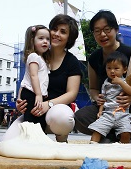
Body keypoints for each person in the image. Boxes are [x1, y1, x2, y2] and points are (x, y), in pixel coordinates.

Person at [74, 10, 131, 145]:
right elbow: (93, 88)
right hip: (107, 107)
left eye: (107, 29)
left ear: (116, 30)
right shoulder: (94, 58)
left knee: (124, 126)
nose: (102, 34)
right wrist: (96, 97)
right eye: (97, 31)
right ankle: (120, 140)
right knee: (80, 118)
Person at [5, 14, 82, 142]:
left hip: (55, 112)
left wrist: (48, 104)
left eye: (63, 32)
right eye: (54, 29)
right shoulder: (38, 56)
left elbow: (72, 93)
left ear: (69, 38)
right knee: (7, 141)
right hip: (34, 110)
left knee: (63, 117)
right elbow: (27, 79)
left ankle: (62, 138)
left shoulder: (72, 62)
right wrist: (20, 100)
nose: (56, 34)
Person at [89, 51, 131, 144]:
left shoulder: (125, 81)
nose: (112, 71)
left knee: (126, 132)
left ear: (124, 70)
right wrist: (100, 111)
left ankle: (124, 148)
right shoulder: (105, 84)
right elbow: (103, 99)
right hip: (107, 113)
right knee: (97, 129)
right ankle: (92, 146)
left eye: (116, 68)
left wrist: (120, 82)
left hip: (123, 114)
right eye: (109, 68)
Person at [19, 25, 51, 130]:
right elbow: (33, 76)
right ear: (32, 41)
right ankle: (30, 141)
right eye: (41, 38)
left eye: (47, 39)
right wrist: (38, 94)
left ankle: (38, 140)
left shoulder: (42, 59)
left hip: (36, 94)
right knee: (31, 120)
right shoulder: (33, 56)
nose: (45, 41)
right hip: (32, 93)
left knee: (39, 120)